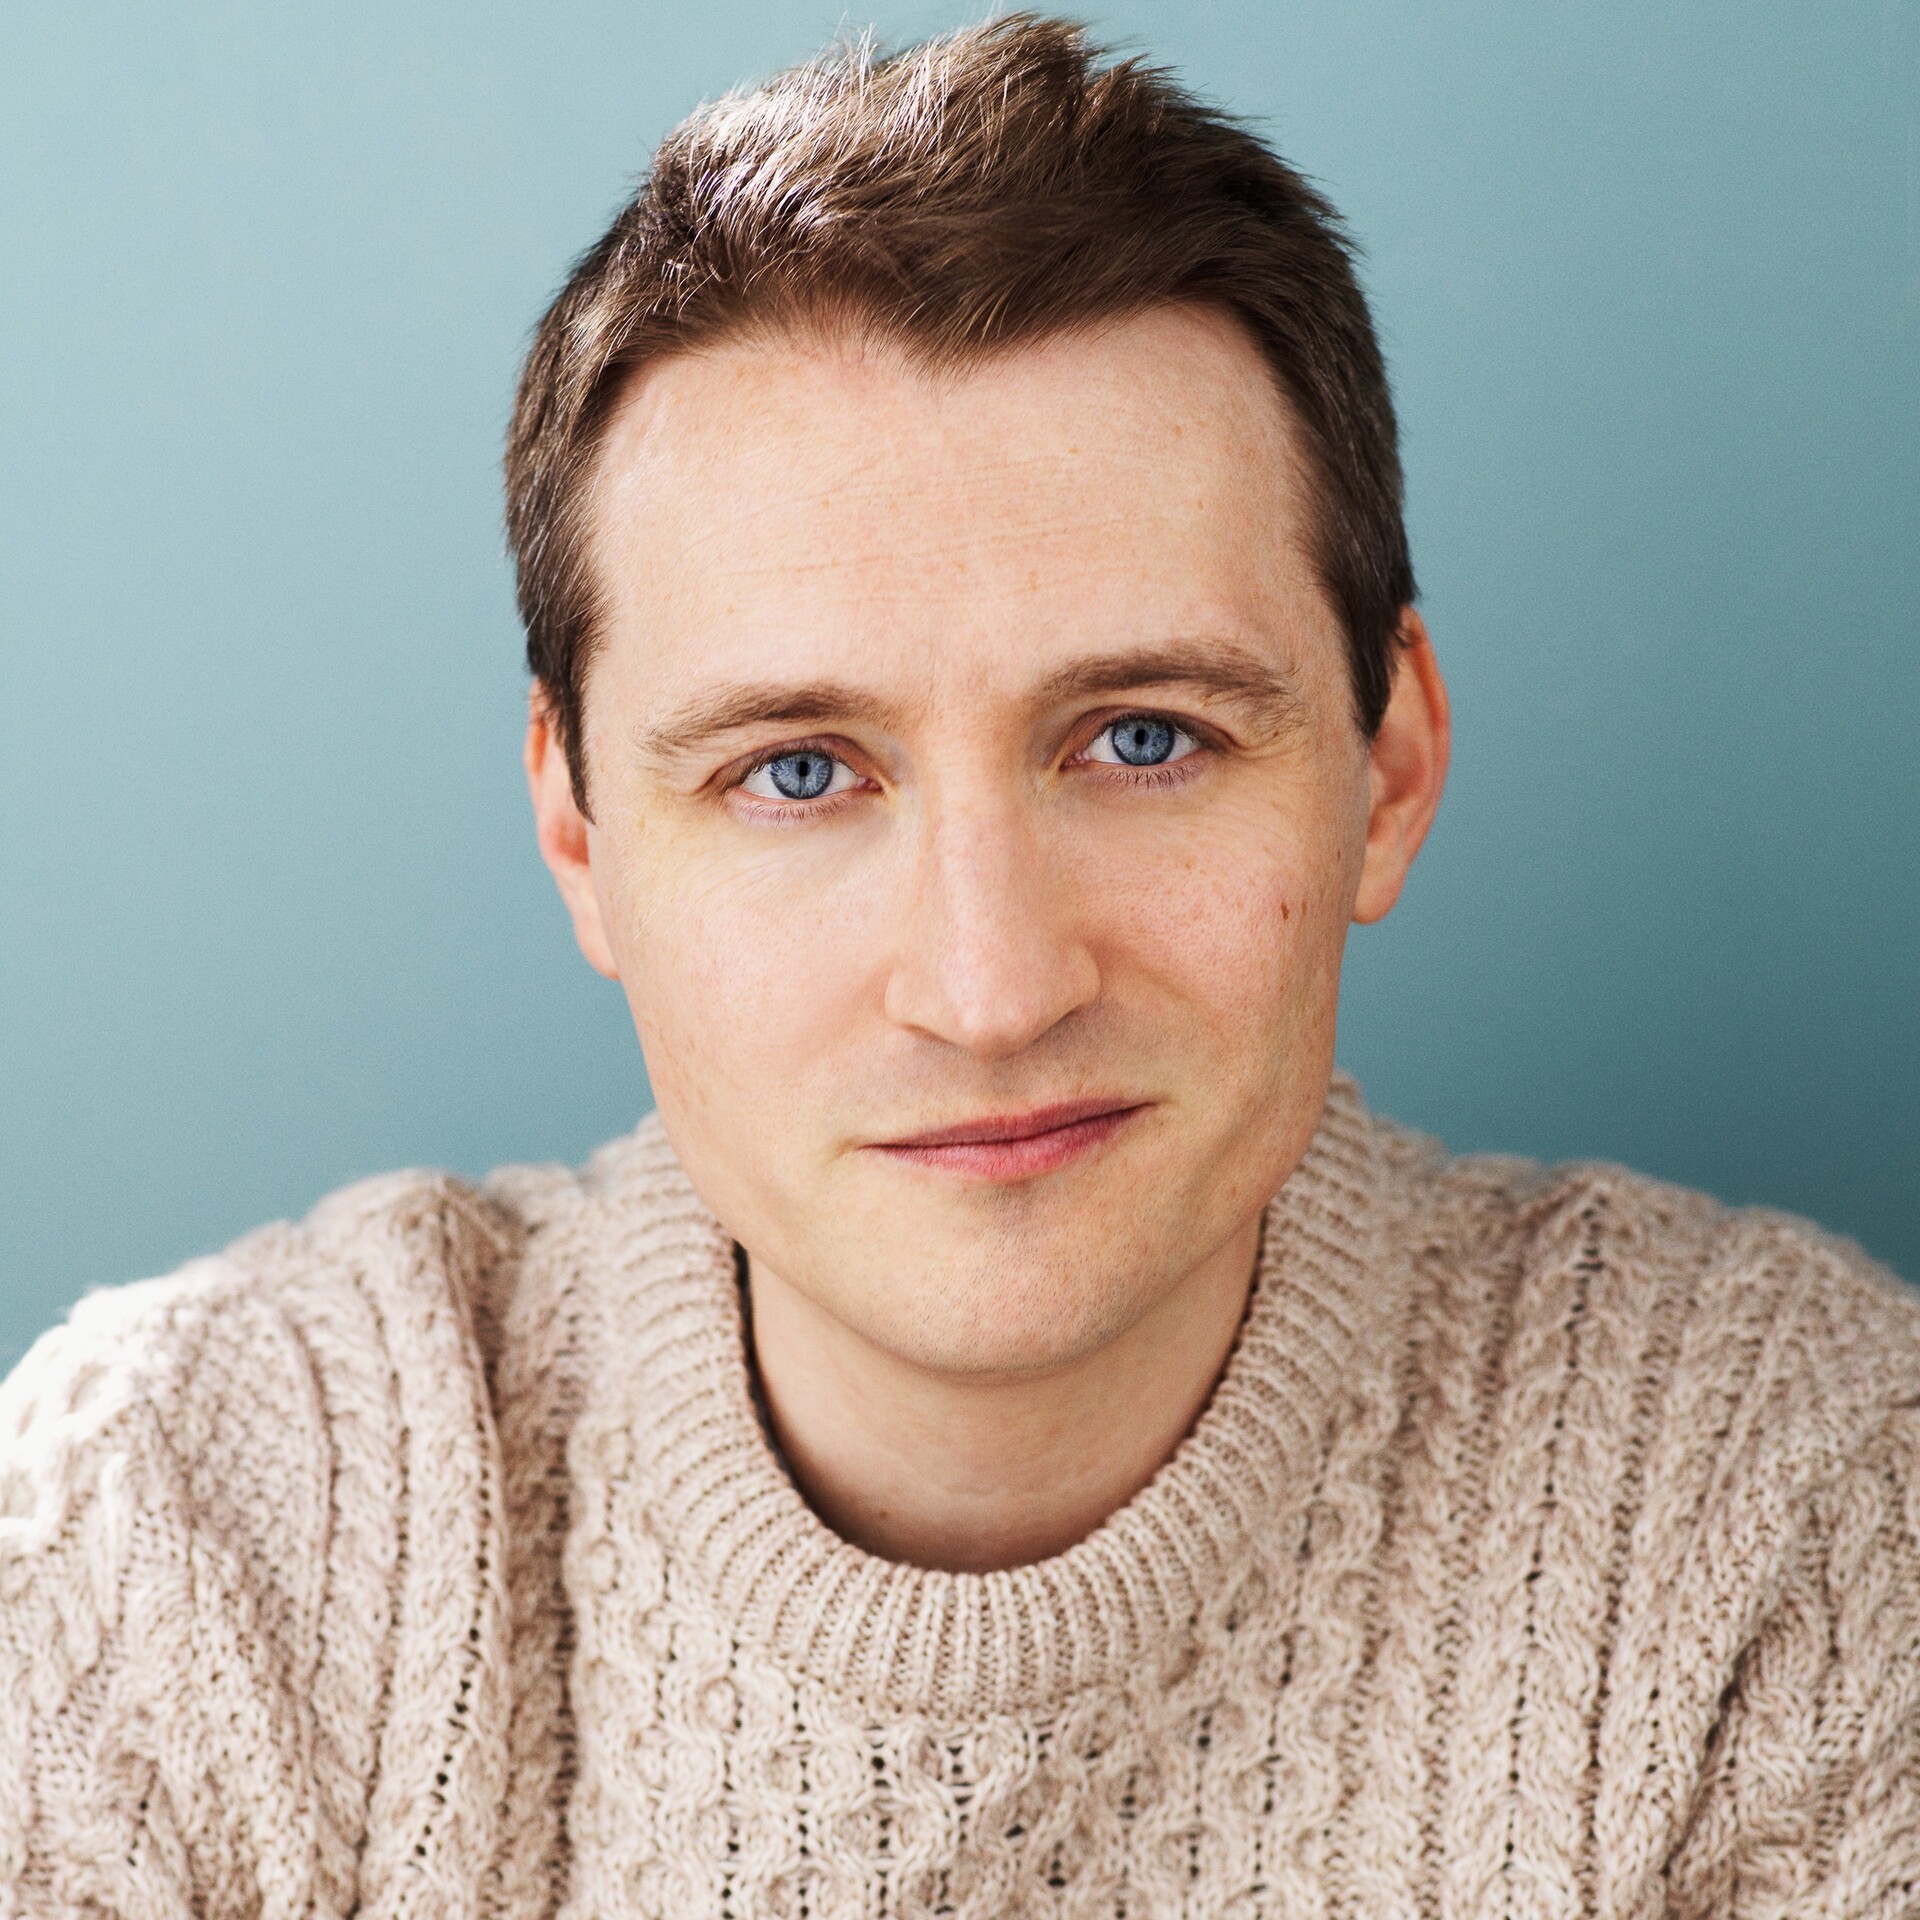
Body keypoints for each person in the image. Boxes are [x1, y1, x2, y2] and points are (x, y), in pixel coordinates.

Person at [3, 15, 1916, 1917]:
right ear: (580, 834)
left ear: (1389, 766)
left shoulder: (1794, 1513)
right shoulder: (186, 1527)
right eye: (798, 773)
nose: (991, 990)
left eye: (1144, 739)